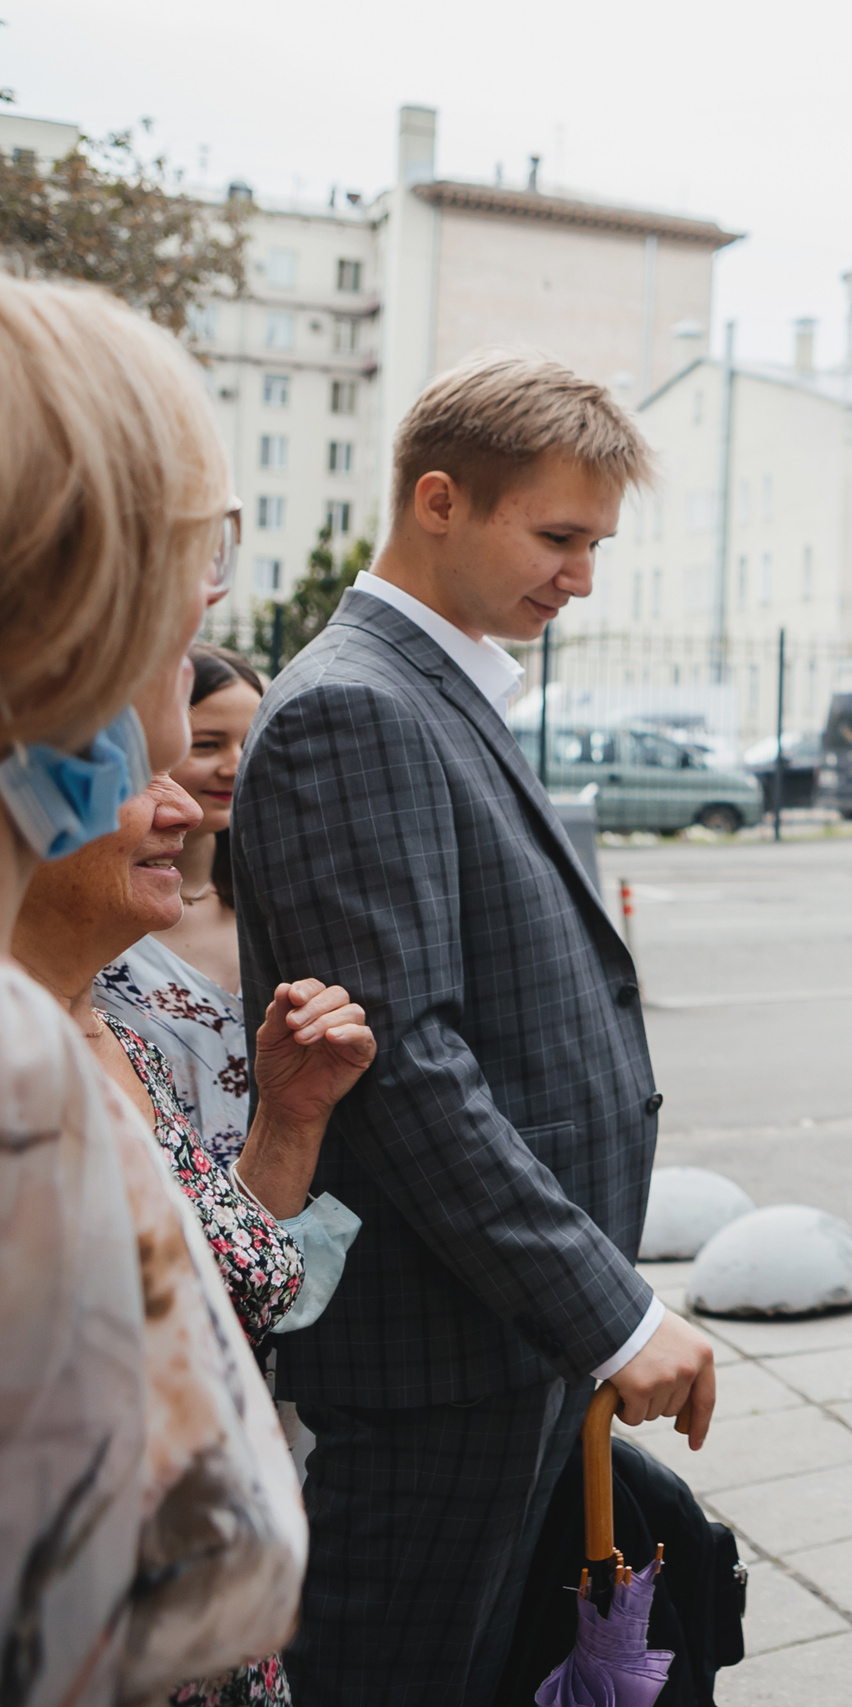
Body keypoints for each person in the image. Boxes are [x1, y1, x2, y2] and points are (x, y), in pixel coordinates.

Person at [229, 352, 718, 1703]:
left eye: (597, 543)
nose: (582, 576)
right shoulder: (352, 706)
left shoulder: (436, 685)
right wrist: (614, 1315)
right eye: (559, 536)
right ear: (439, 499)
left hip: (500, 1341)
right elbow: (408, 1073)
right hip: (442, 1360)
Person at [0, 276, 306, 1706]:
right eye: (181, 607)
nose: (186, 721)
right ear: (66, 642)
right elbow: (207, 1570)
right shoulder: (22, 1063)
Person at [12, 771, 377, 1706]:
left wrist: (288, 1121)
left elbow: (225, 1285)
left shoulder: (111, 1034)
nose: (184, 809)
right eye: (137, 775)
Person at [93, 644, 266, 1165]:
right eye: (207, 744)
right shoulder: (97, 925)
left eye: (252, 742)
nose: (236, 765)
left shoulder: (270, 905)